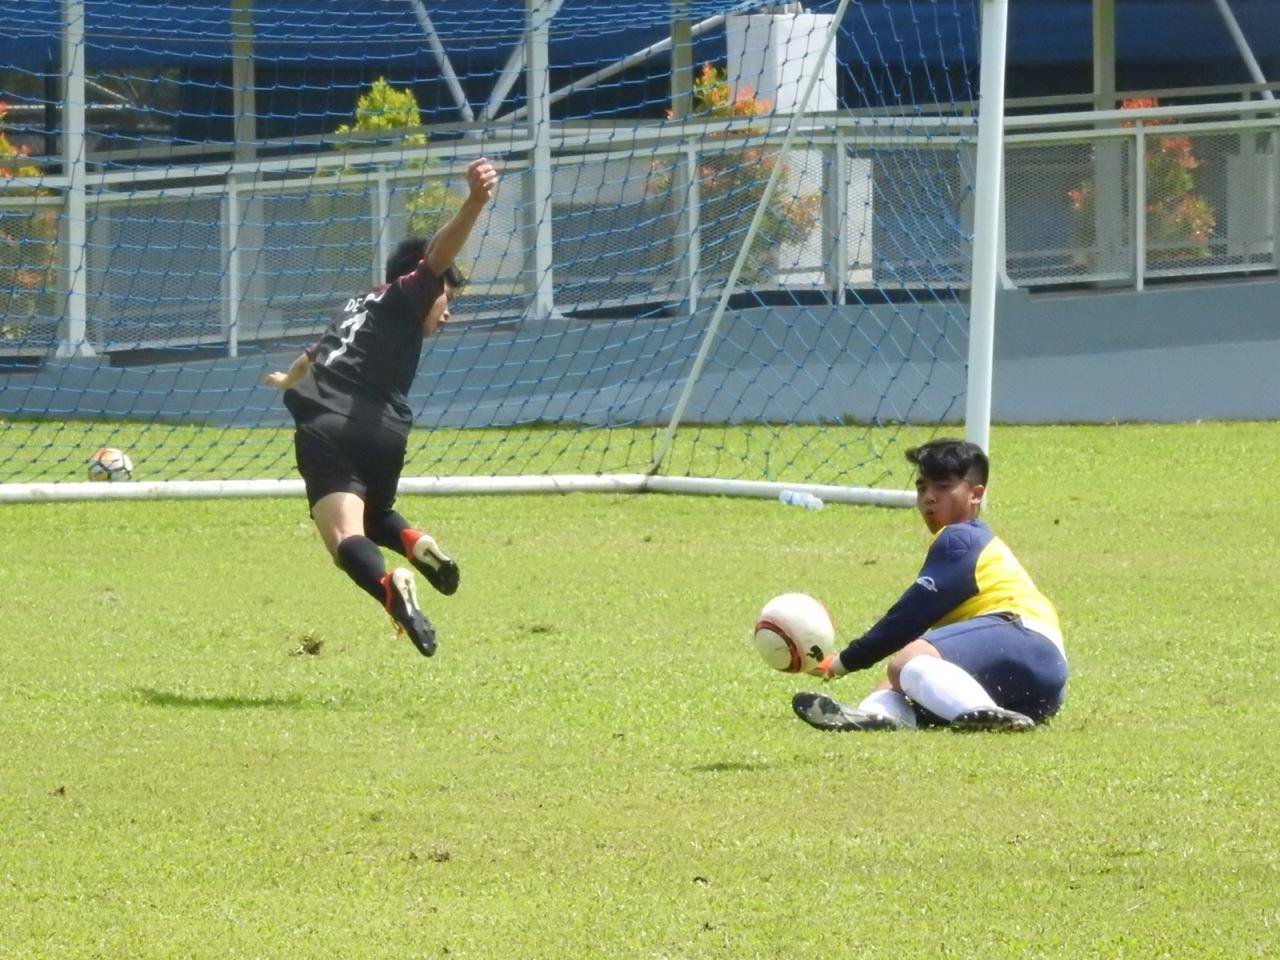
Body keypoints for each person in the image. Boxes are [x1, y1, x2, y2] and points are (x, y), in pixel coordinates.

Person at [264, 157, 499, 658]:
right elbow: (436, 256)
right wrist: (475, 203)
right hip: (386, 431)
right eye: (446, 297)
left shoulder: (357, 304)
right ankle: (415, 542)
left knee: (345, 538)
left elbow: (313, 354)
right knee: (375, 517)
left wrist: (287, 379)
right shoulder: (408, 292)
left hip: (326, 422)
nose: (448, 311)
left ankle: (391, 586)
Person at [792, 438, 1067, 732]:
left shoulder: (960, 539)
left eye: (943, 486)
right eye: (922, 488)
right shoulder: (972, 540)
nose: (929, 497)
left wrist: (842, 662)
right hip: (1037, 685)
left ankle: (979, 712)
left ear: (976, 494)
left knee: (907, 661)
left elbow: (909, 617)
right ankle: (873, 716)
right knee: (898, 680)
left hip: (1023, 638)